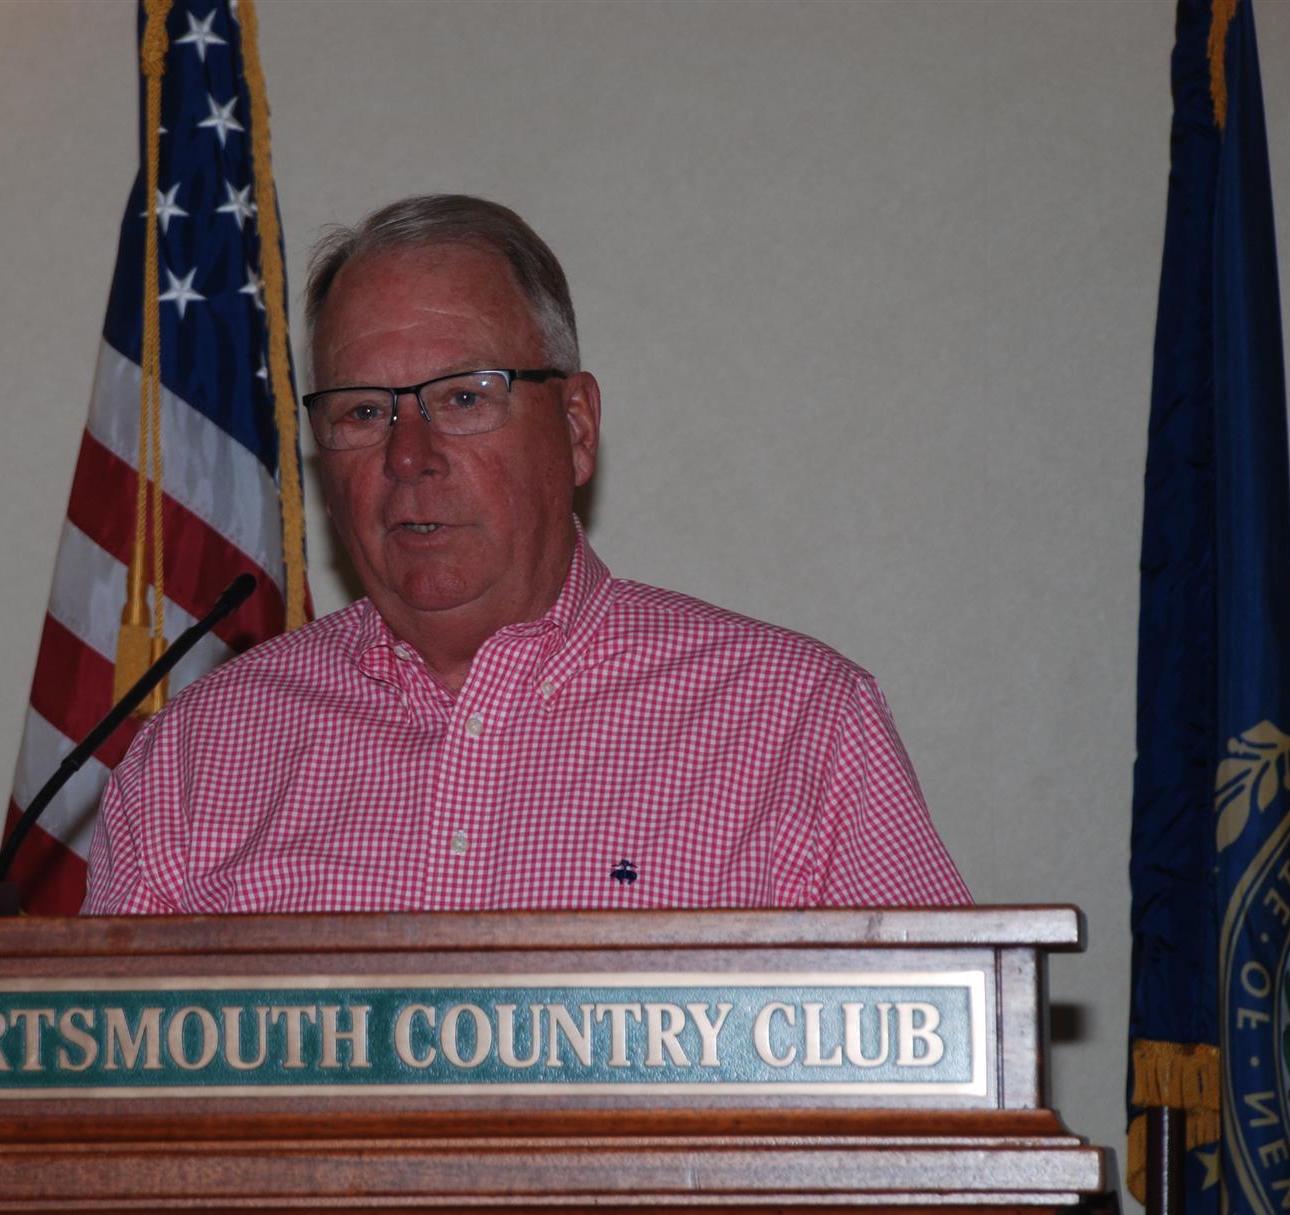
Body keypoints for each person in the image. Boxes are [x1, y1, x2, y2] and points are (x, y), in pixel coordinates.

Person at [83, 195, 969, 914]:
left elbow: (947, 1059)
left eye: (465, 398)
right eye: (363, 411)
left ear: (576, 428)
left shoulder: (797, 725)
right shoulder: (193, 760)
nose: (408, 455)